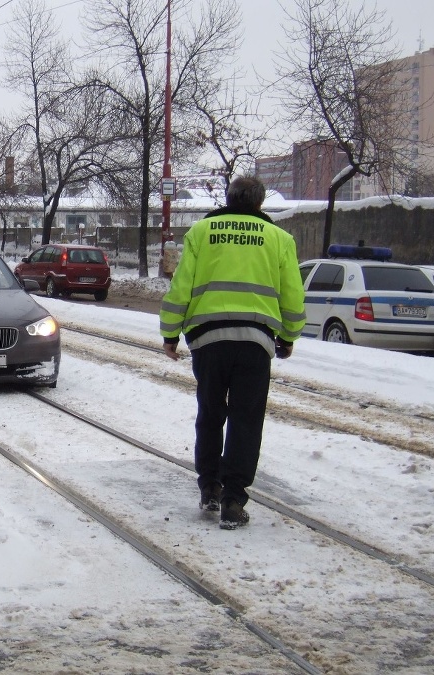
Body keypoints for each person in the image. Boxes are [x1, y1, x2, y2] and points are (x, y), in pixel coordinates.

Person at [159, 176, 306, 530]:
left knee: (210, 413)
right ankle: (233, 499)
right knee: (246, 419)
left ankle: (209, 484)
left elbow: (181, 289)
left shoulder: (201, 232)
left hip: (208, 342)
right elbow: (292, 296)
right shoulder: (279, 239)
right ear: (259, 203)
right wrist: (288, 336)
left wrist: (170, 334)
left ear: (229, 198)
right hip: (256, 344)